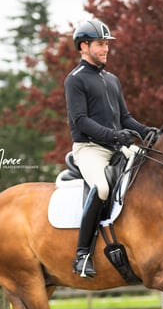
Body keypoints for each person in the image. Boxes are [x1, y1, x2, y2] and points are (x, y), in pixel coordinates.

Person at [64, 19, 156, 278]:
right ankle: (82, 255)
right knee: (103, 188)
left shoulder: (112, 80)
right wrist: (115, 136)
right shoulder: (75, 81)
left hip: (118, 147)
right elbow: (80, 121)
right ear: (84, 46)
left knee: (149, 172)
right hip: (90, 149)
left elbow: (125, 118)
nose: (106, 49)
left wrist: (146, 131)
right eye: (101, 44)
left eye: (106, 44)